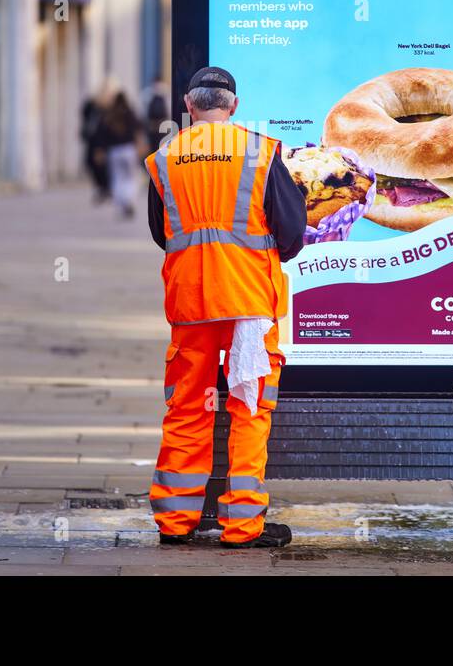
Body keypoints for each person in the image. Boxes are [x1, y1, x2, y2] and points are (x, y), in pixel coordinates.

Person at [144, 67, 305, 548]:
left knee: (187, 406)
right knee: (249, 407)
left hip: (192, 299)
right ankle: (241, 527)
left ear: (189, 107)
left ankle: (175, 522)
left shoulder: (164, 157)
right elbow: (292, 231)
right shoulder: (260, 151)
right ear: (233, 106)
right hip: (249, 302)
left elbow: (161, 232)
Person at [99, 91, 143, 218]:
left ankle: (121, 204)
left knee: (117, 178)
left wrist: (101, 150)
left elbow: (102, 135)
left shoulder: (109, 115)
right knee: (131, 178)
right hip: (129, 149)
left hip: (114, 152)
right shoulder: (130, 113)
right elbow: (138, 130)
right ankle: (129, 201)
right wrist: (140, 145)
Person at [80, 94, 109, 203]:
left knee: (101, 167)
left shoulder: (104, 113)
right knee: (90, 164)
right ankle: (101, 187)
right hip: (92, 144)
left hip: (101, 145)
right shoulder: (92, 111)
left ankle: (104, 188)